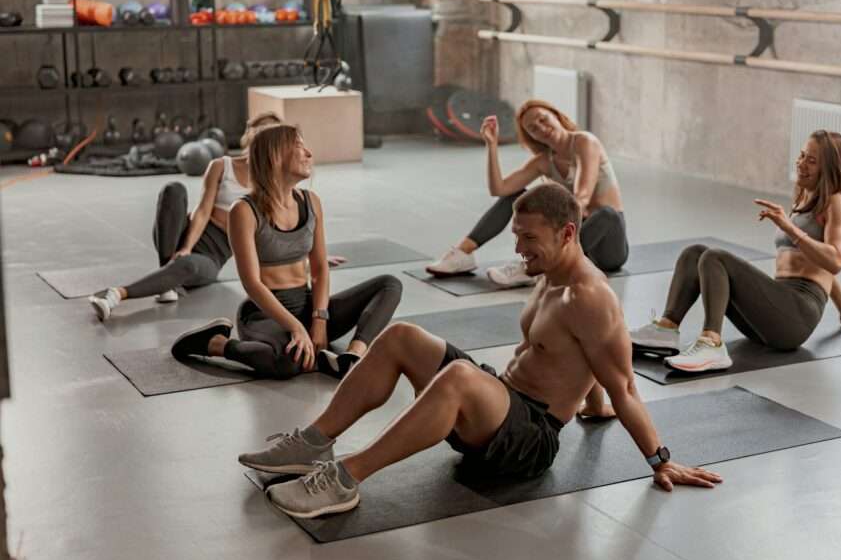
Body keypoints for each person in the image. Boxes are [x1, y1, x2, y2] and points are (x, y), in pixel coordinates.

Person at [237, 183, 721, 518]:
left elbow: (625, 386)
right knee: (404, 336)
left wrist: (660, 459)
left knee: (459, 378)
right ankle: (311, 444)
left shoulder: (591, 298)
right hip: (499, 406)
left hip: (529, 441)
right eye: (517, 237)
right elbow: (582, 364)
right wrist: (593, 406)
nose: (520, 250)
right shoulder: (551, 277)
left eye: (530, 239)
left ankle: (345, 479)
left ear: (567, 233)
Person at [629, 130, 841, 373]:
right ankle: (666, 329)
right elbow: (823, 272)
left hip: (796, 316)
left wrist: (789, 228)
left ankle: (711, 344)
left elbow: (835, 261)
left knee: (715, 258)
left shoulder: (837, 201)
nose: (801, 164)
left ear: (831, 170)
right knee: (695, 253)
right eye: (802, 155)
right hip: (778, 311)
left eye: (811, 161)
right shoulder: (804, 197)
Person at [169, 123, 402, 380]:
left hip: (308, 304)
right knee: (288, 364)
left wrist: (319, 320)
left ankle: (353, 356)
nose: (309, 154)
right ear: (275, 156)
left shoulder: (311, 202)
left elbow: (320, 269)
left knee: (389, 285)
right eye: (299, 147)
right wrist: (295, 327)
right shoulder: (244, 210)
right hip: (263, 313)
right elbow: (251, 283)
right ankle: (214, 343)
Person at [88, 112, 282, 322]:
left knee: (188, 264)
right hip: (179, 236)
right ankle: (167, 278)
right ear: (250, 136)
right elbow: (203, 211)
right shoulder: (221, 166)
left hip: (211, 258)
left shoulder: (269, 183)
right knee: (174, 189)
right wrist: (187, 246)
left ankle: (115, 295)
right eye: (260, 132)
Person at [426, 99, 628, 288]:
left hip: (607, 245)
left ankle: (533, 267)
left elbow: (582, 197)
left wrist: (547, 233)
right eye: (533, 128)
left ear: (557, 116)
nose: (541, 127)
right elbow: (500, 188)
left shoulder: (585, 142)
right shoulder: (544, 161)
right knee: (516, 196)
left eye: (543, 119)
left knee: (606, 214)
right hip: (573, 243)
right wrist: (492, 145)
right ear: (532, 136)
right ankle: (463, 253)